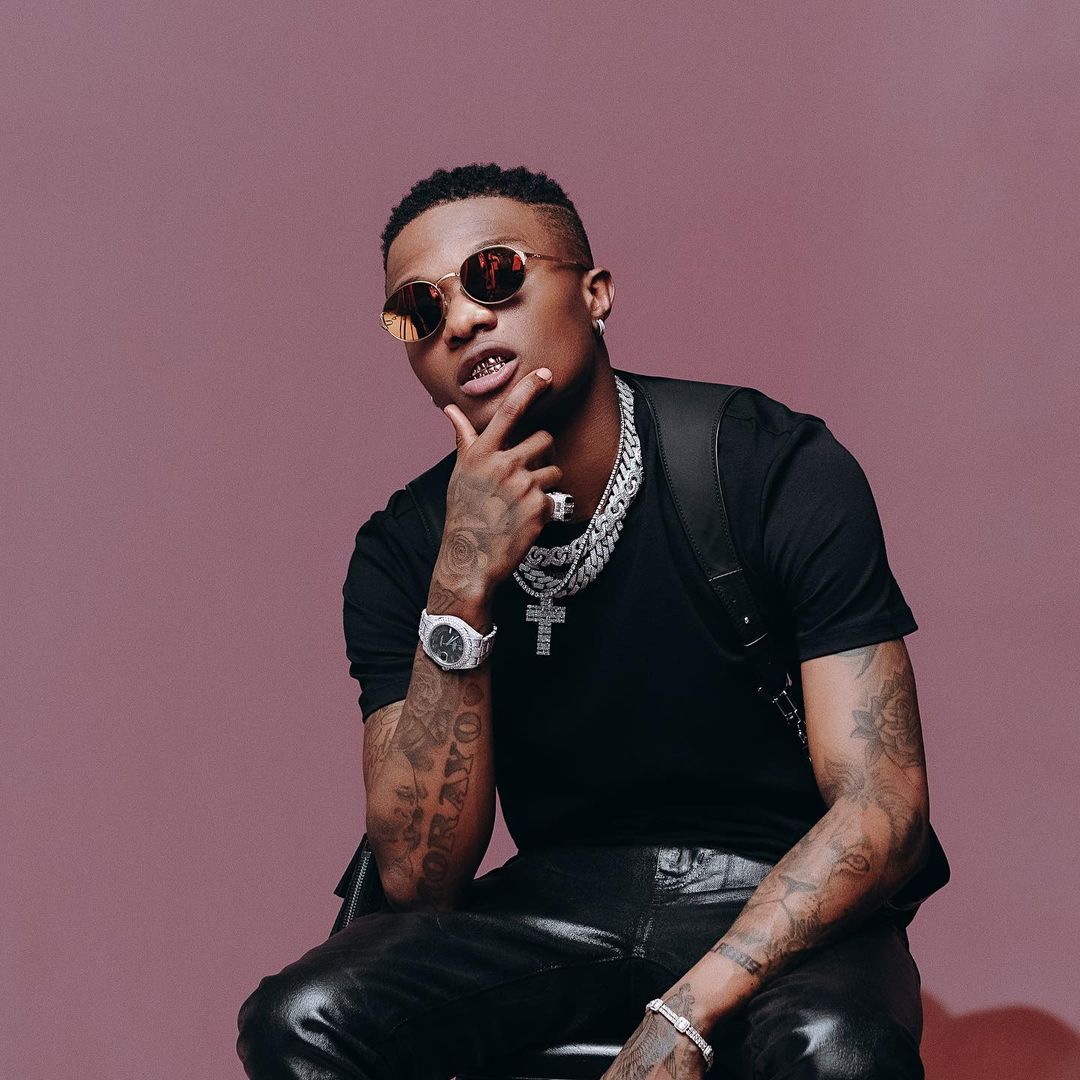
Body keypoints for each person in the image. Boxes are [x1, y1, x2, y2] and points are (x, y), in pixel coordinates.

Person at [236, 163, 937, 1079]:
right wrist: (461, 587)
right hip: (555, 907)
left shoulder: (766, 465)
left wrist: (686, 1012)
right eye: (419, 309)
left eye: (495, 275)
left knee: (836, 1050)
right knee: (299, 1017)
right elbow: (419, 878)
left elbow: (884, 806)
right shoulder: (405, 549)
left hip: (780, 894)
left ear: (595, 292)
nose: (462, 320)